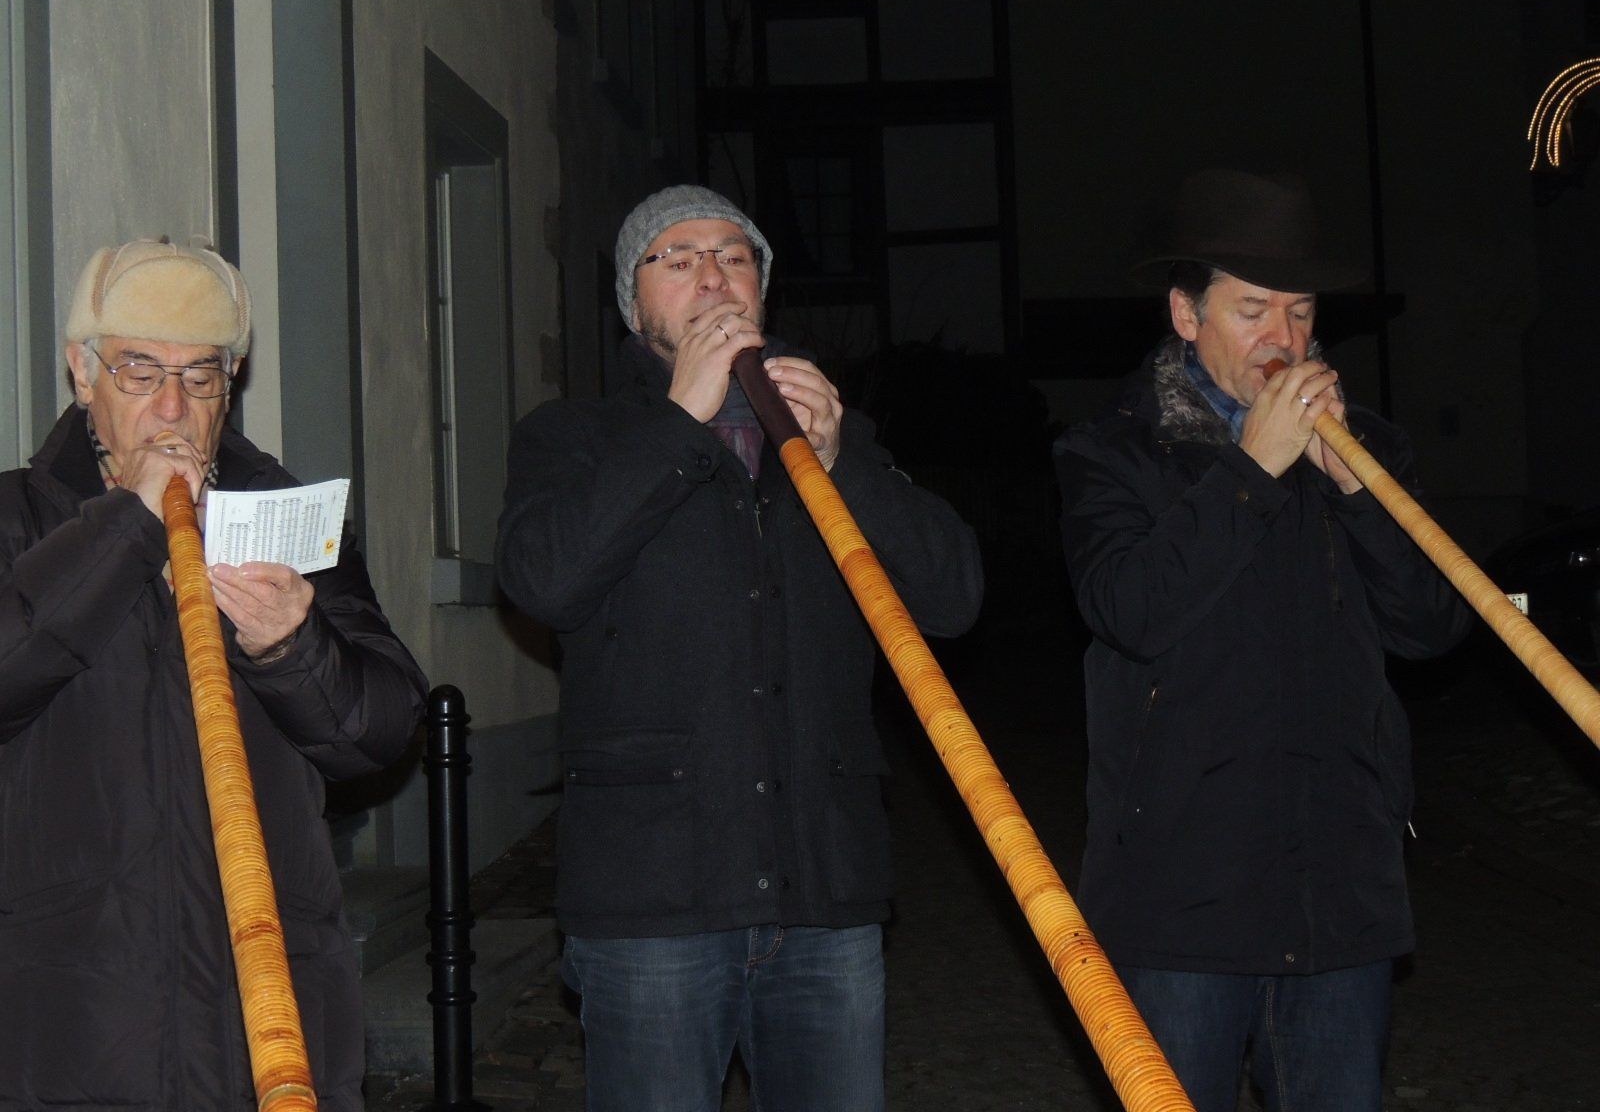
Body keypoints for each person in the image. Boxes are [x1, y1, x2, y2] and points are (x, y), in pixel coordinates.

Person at [496, 185, 983, 1111]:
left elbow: (953, 597)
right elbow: (544, 581)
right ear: (633, 304)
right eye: (677, 259)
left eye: (734, 256)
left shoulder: (830, 430)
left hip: (824, 894)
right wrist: (677, 422)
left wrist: (840, 463)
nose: (713, 275)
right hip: (653, 900)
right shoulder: (574, 437)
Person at [1054, 170, 1471, 1112]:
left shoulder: (1369, 449)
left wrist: (1358, 494)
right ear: (1186, 314)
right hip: (1181, 898)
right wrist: (1252, 470)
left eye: (1300, 310)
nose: (1283, 338)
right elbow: (1129, 611)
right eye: (1252, 310)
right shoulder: (1113, 452)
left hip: (1339, 896)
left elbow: (1433, 628)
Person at [0, 238, 427, 1110]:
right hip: (77, 1018)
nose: (171, 406)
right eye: (140, 371)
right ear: (82, 374)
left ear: (230, 385)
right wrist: (125, 527)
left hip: (262, 1008)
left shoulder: (286, 519)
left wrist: (293, 647)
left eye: (200, 377)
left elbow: (382, 730)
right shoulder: (15, 518)